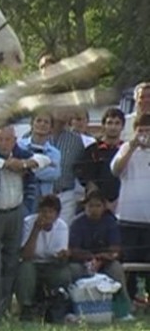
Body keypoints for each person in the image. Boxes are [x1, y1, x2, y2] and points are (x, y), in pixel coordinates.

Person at [0, 126, 51, 318]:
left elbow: (45, 159)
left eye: (7, 140)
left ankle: (4, 309)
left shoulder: (22, 154)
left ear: (15, 140)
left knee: (11, 263)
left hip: (15, 214)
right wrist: (7, 164)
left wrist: (25, 163)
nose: (3, 144)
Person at [68, 191, 133, 319]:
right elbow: (73, 250)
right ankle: (70, 309)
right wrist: (89, 259)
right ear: (85, 206)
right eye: (91, 205)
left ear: (104, 207)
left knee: (116, 269)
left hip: (105, 262)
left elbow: (115, 250)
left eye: (98, 206)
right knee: (71, 271)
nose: (94, 209)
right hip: (81, 262)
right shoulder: (77, 223)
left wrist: (100, 259)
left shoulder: (110, 222)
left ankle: (124, 310)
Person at [111, 112, 150, 305]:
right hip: (128, 219)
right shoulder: (126, 148)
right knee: (129, 266)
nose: (144, 135)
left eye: (147, 131)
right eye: (140, 130)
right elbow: (116, 170)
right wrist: (132, 148)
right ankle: (128, 302)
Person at [15, 195, 71, 321]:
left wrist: (63, 256)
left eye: (51, 212)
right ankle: (26, 307)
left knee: (64, 273)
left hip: (51, 264)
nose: (46, 215)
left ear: (57, 215)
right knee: (25, 268)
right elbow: (26, 255)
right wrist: (36, 230)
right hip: (33, 263)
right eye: (44, 211)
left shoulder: (61, 226)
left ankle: (56, 304)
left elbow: (60, 257)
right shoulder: (29, 222)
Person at [75, 107, 125, 212]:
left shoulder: (127, 150)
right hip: (97, 206)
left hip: (124, 203)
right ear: (103, 125)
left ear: (122, 126)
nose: (113, 127)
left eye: (117, 123)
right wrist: (103, 203)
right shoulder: (92, 150)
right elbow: (88, 179)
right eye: (110, 123)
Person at [19, 110, 61, 207]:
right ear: (32, 124)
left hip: (43, 200)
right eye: (39, 121)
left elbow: (55, 174)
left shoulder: (54, 152)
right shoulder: (19, 146)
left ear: (51, 128)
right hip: (21, 197)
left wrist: (27, 168)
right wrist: (44, 165)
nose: (42, 124)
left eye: (46, 122)